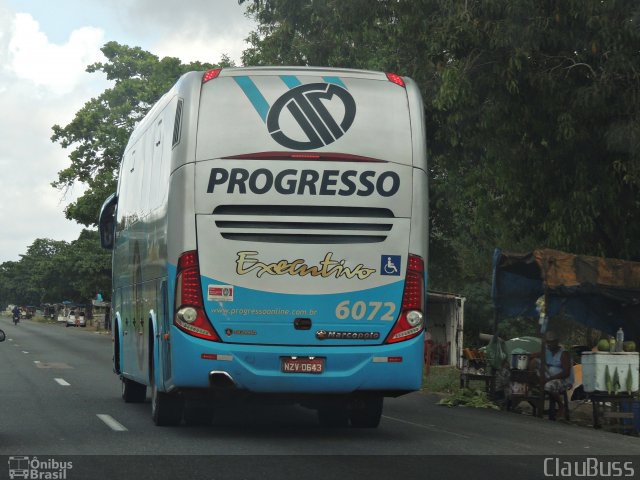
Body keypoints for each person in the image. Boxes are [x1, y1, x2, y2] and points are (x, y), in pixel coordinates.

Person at [528, 330, 574, 420]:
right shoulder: (547, 350)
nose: (549, 344)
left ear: (556, 342)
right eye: (548, 342)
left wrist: (549, 379)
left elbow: (566, 373)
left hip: (563, 380)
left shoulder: (564, 354)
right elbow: (534, 356)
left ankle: (561, 406)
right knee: (534, 361)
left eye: (551, 342)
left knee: (549, 386)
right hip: (549, 376)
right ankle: (532, 387)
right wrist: (528, 356)